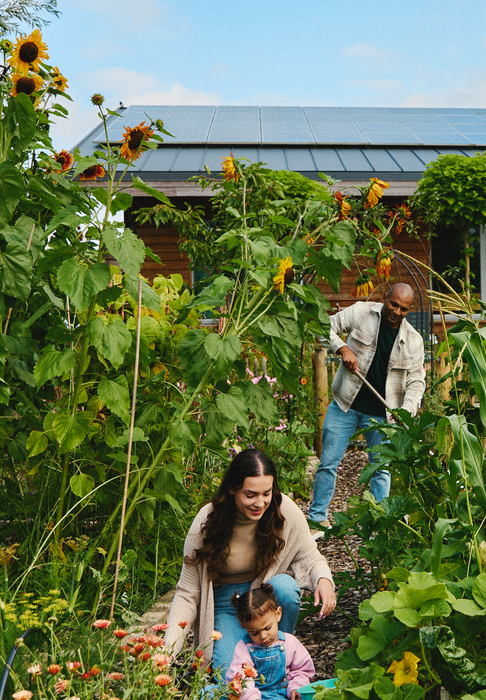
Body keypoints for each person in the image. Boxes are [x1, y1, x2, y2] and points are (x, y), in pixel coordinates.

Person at [163, 449, 337, 676]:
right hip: (226, 605)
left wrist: (323, 579)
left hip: (264, 595)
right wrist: (167, 652)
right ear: (232, 488)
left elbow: (310, 555)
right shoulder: (208, 520)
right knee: (231, 677)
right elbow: (187, 592)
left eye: (266, 493)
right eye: (250, 494)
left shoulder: (283, 509)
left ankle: (281, 658)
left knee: (285, 586)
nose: (260, 502)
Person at [308, 283, 426, 536]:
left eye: (403, 309)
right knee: (328, 463)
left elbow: (417, 381)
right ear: (386, 298)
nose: (396, 311)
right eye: (393, 304)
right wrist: (343, 348)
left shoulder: (414, 341)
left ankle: (379, 523)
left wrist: (405, 410)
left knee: (381, 469)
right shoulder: (361, 312)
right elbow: (322, 327)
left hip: (382, 415)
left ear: (409, 310)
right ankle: (317, 520)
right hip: (345, 404)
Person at [224, 583, 316, 700]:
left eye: (267, 628)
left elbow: (302, 669)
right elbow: (239, 677)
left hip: (283, 695)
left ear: (278, 614)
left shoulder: (289, 642)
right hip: (255, 696)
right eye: (254, 633)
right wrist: (250, 697)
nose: (263, 636)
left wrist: (297, 687)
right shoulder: (245, 648)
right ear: (244, 627)